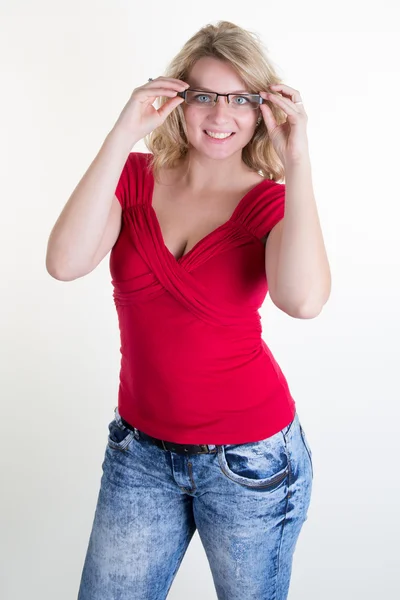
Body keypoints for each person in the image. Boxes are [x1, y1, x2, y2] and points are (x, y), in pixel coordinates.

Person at [46, 19, 330, 600]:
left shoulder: (270, 202)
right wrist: (124, 132)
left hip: (250, 463)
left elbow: (301, 300)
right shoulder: (132, 178)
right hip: (140, 455)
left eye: (240, 100)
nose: (220, 116)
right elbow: (64, 262)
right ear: (178, 99)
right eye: (204, 96)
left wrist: (297, 160)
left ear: (261, 110)